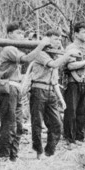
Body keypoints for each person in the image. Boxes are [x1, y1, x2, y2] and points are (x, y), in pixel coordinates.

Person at [0, 23, 49, 161]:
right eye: (18, 33)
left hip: (16, 89)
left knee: (18, 125)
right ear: (9, 35)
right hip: (8, 89)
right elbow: (26, 59)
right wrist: (41, 46)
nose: (21, 36)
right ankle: (4, 156)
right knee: (9, 123)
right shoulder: (9, 48)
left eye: (22, 33)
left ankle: (13, 156)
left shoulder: (16, 49)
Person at [29, 30, 74, 158]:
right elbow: (53, 65)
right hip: (38, 90)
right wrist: (67, 55)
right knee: (37, 123)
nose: (58, 41)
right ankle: (39, 152)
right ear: (47, 39)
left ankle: (49, 152)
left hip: (50, 92)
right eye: (55, 39)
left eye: (60, 39)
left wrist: (62, 99)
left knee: (57, 124)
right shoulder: (40, 53)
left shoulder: (55, 55)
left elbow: (54, 82)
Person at [63, 22, 85, 144]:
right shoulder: (71, 48)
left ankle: (79, 137)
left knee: (83, 111)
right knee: (71, 111)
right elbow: (71, 66)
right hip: (72, 83)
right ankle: (69, 138)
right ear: (76, 34)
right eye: (83, 32)